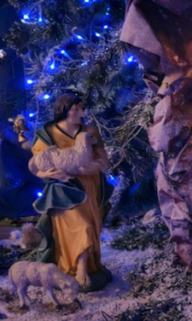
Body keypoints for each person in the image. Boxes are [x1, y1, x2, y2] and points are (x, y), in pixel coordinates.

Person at [28, 93, 113, 292]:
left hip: (88, 187)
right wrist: (45, 173)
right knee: (78, 227)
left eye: (82, 109)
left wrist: (86, 168)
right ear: (64, 109)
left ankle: (89, 267)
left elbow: (103, 161)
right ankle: (75, 268)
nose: (81, 113)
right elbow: (36, 164)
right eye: (77, 109)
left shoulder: (90, 131)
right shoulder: (47, 132)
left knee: (90, 227)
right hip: (62, 191)